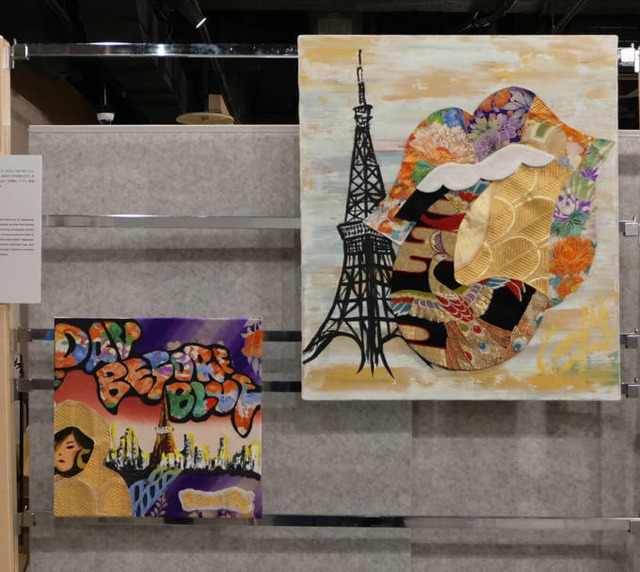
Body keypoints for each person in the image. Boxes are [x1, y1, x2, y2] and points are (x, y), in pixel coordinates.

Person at [54, 400, 131, 517]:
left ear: (87, 449)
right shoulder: (55, 482)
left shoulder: (112, 483)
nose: (59, 453)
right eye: (56, 447)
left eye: (69, 447)